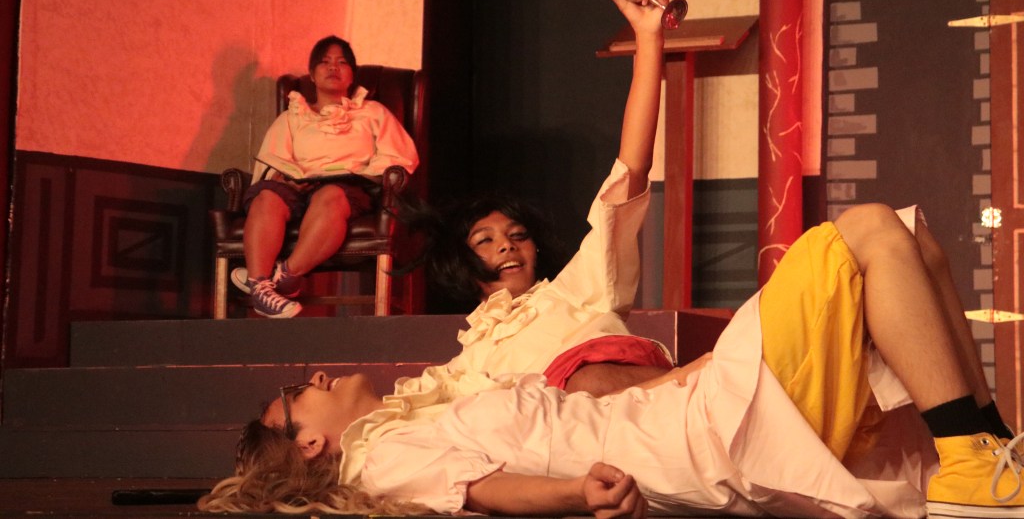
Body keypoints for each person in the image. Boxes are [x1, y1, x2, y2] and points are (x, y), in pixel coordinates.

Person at [200, 202, 1023, 518]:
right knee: (870, 229)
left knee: (909, 237)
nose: (314, 378)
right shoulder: (380, 460)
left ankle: (985, 450)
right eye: (297, 395)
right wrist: (577, 493)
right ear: (312, 443)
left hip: (689, 403)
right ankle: (971, 468)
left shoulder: (429, 405)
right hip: (699, 439)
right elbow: (482, 492)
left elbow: (592, 407)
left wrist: (692, 370)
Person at [396, 0, 675, 400]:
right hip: (564, 441)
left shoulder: (576, 290)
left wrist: (649, 36)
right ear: (460, 263)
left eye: (517, 235)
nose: (507, 246)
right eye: (485, 240)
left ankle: (707, 383)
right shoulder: (466, 365)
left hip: (640, 408)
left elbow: (632, 169)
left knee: (587, 381)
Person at [233, 35, 419, 318]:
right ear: (312, 74)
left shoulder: (372, 112)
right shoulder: (293, 116)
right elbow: (272, 158)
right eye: (325, 62)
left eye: (342, 62)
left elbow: (399, 156)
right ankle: (259, 286)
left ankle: (286, 276)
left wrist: (360, 173)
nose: (333, 67)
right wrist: (282, 178)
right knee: (267, 195)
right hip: (297, 185)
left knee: (330, 195)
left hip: (346, 187)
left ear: (352, 75)